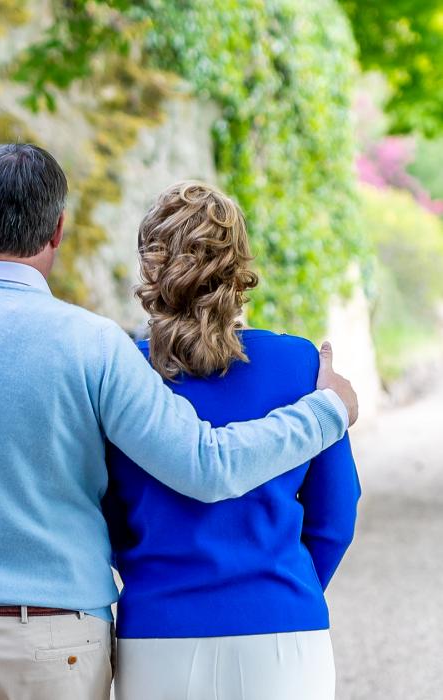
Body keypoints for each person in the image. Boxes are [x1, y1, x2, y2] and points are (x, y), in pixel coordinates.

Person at [0, 143, 358, 700]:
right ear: (58, 229)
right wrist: (329, 411)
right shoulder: (95, 345)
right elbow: (209, 467)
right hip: (55, 634)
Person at [105, 181, 361, 700]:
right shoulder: (299, 363)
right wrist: (282, 585)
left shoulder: (123, 372)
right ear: (239, 265)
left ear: (152, 266)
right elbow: (336, 514)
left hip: (159, 629)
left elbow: (103, 511)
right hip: (285, 629)